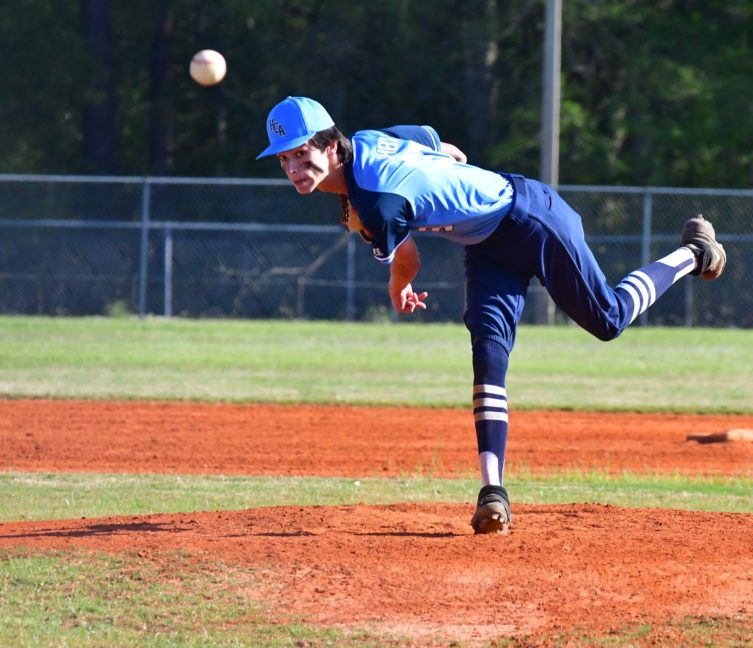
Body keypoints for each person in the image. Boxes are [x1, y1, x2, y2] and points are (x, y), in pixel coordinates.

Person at [257, 96, 726, 535]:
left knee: (609, 319)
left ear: (329, 144)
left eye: (301, 153)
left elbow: (408, 260)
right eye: (284, 159)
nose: (293, 168)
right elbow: (448, 150)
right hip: (486, 245)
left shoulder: (378, 203)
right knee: (488, 354)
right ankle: (493, 493)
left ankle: (694, 253)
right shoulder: (371, 141)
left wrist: (398, 288)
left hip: (531, 219)